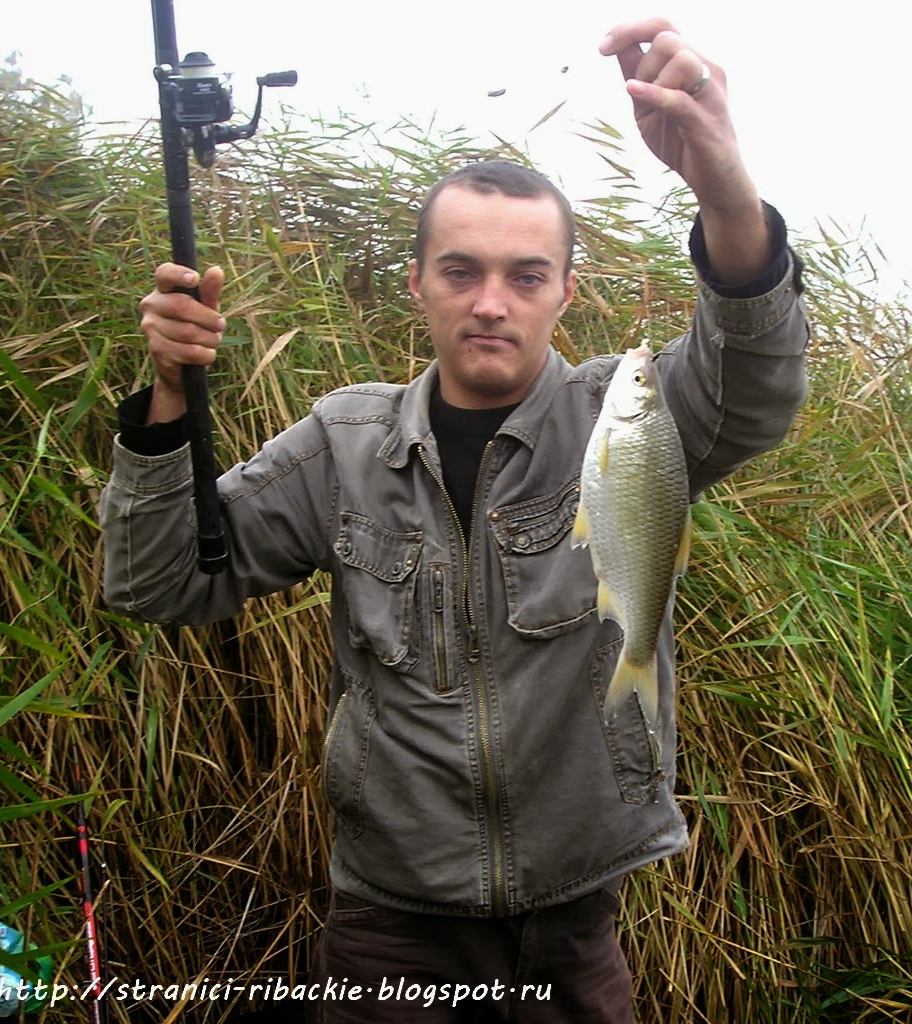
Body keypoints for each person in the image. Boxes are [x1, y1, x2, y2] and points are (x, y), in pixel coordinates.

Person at [100, 17, 809, 1023]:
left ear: (564, 291)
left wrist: (723, 190)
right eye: (461, 271)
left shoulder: (626, 418)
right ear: (417, 283)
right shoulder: (343, 444)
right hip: (389, 928)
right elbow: (156, 582)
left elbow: (756, 383)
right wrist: (171, 400)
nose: (491, 304)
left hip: (574, 922)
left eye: (526, 276)